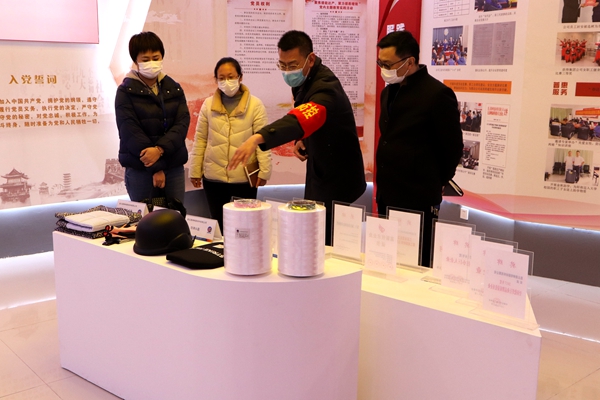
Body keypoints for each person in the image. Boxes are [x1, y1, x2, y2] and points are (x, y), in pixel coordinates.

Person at [228, 30, 366, 245]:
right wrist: (303, 140)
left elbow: (301, 117)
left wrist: (257, 138)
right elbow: (310, 121)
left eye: (292, 65)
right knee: (314, 228)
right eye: (282, 65)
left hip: (338, 176)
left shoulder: (325, 88)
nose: (287, 72)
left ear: (310, 59)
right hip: (319, 165)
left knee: (326, 237)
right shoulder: (305, 80)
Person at [376, 30, 463, 267]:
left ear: (410, 62)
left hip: (417, 194)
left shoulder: (437, 95)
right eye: (380, 63)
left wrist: (438, 180)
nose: (383, 69)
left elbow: (452, 146)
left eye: (388, 64)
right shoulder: (388, 92)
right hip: (387, 191)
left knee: (415, 263)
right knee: (387, 259)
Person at [189, 57, 272, 232]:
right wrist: (195, 170)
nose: (227, 82)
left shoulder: (255, 105)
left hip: (243, 179)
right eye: (222, 78)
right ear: (216, 80)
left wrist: (264, 171)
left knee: (244, 228)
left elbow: (262, 140)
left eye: (231, 77)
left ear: (240, 77)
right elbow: (201, 139)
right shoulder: (208, 105)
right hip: (213, 179)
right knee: (219, 226)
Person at [115, 31, 190, 203]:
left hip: (173, 167)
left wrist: (160, 150)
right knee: (145, 218)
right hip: (141, 170)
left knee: (176, 216)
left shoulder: (174, 88)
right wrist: (155, 167)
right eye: (145, 59)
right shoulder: (125, 91)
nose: (152, 63)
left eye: (156, 58)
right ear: (136, 61)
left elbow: (182, 123)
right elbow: (129, 130)